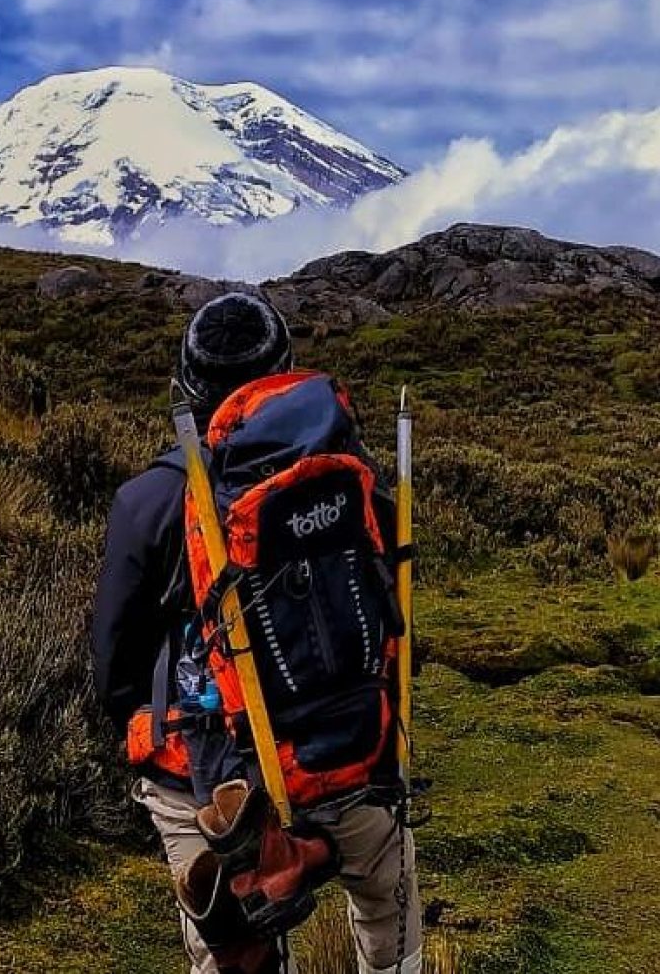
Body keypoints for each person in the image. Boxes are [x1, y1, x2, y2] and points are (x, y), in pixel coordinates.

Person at [92, 292, 422, 974]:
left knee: (232, 950)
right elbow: (389, 607)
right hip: (350, 756)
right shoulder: (347, 471)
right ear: (284, 369)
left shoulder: (150, 501)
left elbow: (115, 673)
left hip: (218, 793)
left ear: (187, 387)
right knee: (388, 909)